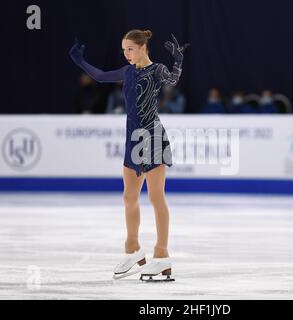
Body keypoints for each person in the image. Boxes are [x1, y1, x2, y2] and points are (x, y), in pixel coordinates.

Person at [70, 29, 189, 282]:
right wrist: (80, 61)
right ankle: (133, 249)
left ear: (143, 47)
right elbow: (101, 76)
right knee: (129, 196)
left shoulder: (156, 69)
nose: (126, 54)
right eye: (124, 50)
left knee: (157, 198)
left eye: (130, 49)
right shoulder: (128, 71)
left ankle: (162, 254)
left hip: (152, 137)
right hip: (133, 138)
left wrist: (178, 60)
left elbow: (172, 80)